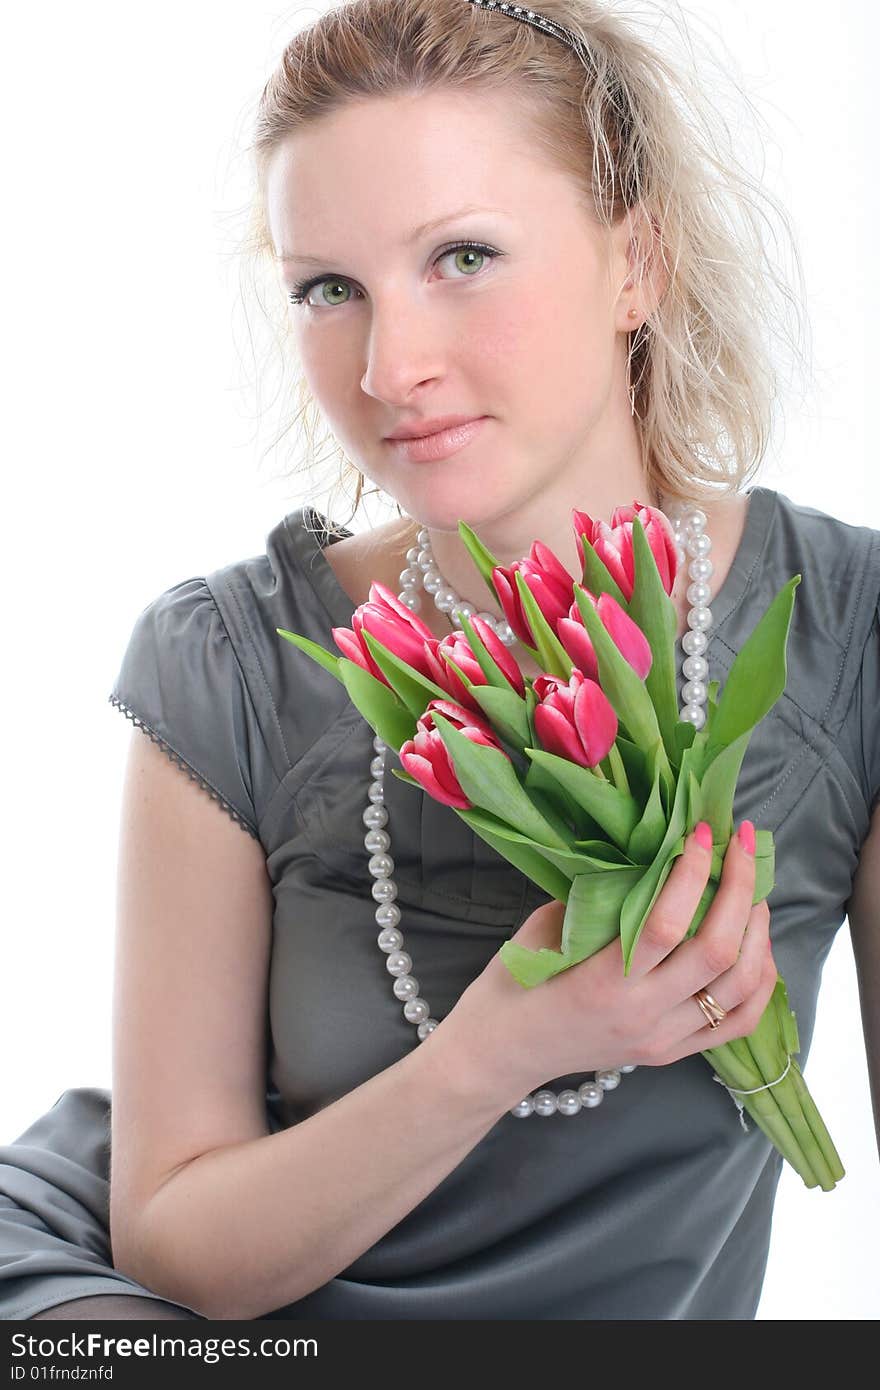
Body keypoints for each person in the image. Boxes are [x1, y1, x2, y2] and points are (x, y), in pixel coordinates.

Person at [2, 0, 878, 1322]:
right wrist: (503, 1046)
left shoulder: (843, 629)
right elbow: (170, 1237)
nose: (392, 365)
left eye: (463, 256)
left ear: (636, 260)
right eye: (329, 289)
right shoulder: (229, 663)